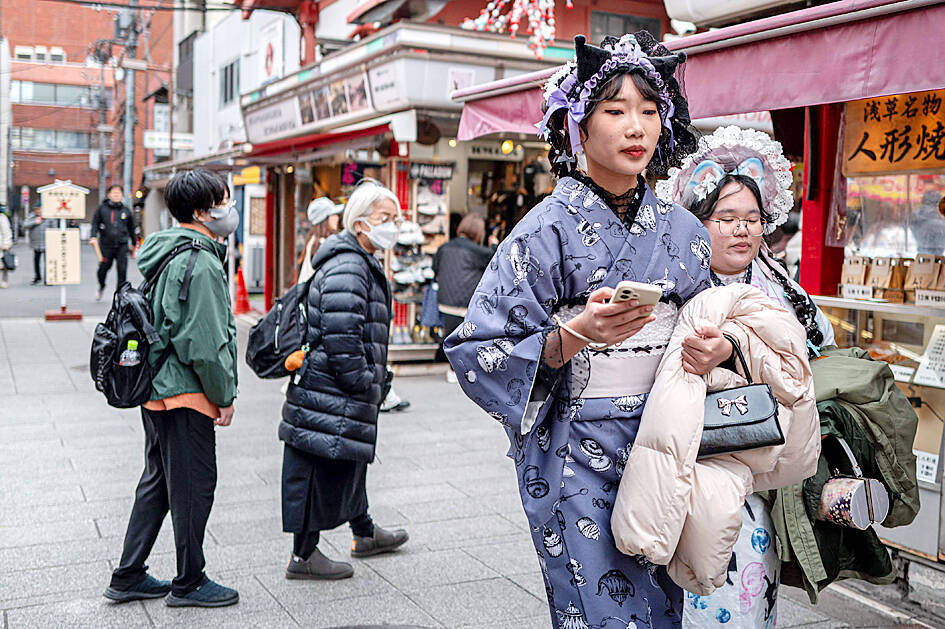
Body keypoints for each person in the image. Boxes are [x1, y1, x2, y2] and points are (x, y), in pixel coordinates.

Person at [445, 33, 710, 628]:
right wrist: (575, 336)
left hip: (664, 440)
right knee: (597, 608)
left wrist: (715, 347)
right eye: (615, 111)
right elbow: (477, 348)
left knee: (664, 605)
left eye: (650, 110)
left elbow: (712, 320)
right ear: (578, 128)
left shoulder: (686, 232)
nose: (636, 127)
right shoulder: (544, 230)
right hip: (575, 449)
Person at [656, 125, 835, 627]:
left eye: (752, 220)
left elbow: (816, 345)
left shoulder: (778, 282)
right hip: (695, 460)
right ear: (698, 222)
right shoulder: (675, 282)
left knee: (751, 585)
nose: (743, 231)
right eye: (727, 218)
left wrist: (739, 351)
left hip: (765, 466)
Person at [104, 169, 240, 608]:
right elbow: (205, 343)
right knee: (194, 486)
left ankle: (128, 574)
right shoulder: (200, 262)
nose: (229, 209)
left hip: (156, 388)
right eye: (223, 201)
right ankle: (190, 581)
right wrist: (224, 395)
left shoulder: (166, 250)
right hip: (185, 393)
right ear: (201, 212)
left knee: (159, 482)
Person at [280, 179, 408, 581]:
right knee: (317, 469)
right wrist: (364, 381)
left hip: (337, 391)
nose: (393, 226)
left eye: (396, 218)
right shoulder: (349, 266)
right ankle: (303, 556)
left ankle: (364, 532)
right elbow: (342, 337)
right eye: (384, 218)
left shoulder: (359, 259)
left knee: (349, 461)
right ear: (359, 222)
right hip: (329, 391)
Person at [90, 184, 138, 300]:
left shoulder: (126, 210)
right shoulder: (102, 209)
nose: (116, 194)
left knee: (122, 271)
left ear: (122, 195)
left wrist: (134, 244)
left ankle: (119, 296)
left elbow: (131, 228)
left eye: (119, 192)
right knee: (103, 269)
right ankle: (101, 285)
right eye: (114, 192)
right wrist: (93, 236)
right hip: (106, 245)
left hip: (122, 245)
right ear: (109, 194)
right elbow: (95, 223)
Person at [296, 196, 343, 284]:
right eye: (333, 214)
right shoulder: (322, 245)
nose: (337, 217)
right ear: (324, 219)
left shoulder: (314, 240)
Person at [25, 203, 49, 285]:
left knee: (48, 261)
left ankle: (48, 278)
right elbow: (25, 225)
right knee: (36, 261)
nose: (38, 211)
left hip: (47, 243)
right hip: (36, 243)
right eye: (36, 209)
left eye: (39, 209)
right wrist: (35, 222)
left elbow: (54, 228)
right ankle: (37, 277)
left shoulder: (49, 217)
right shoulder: (32, 216)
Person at [0, 208, 12, 288]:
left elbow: (6, 231)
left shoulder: (2, 218)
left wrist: (6, 244)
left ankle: (4, 280)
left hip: (1, 246)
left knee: (4, 263)